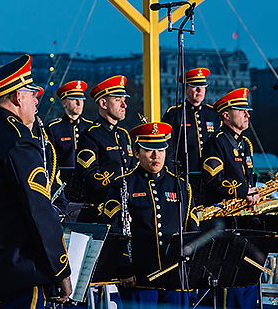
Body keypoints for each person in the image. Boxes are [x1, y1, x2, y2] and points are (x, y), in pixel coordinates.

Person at [0, 54, 71, 308]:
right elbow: (38, 211)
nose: (36, 99)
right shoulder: (19, 140)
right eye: (32, 94)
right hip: (17, 275)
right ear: (18, 97)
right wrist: (61, 268)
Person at [99, 122, 193, 308]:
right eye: (149, 150)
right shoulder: (123, 184)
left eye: (161, 150)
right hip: (139, 278)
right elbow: (113, 230)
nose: (156, 156)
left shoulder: (181, 186)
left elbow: (192, 228)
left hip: (175, 278)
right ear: (136, 153)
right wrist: (124, 267)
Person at [200, 88, 258, 308]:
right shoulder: (217, 142)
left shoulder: (245, 144)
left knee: (246, 274)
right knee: (228, 279)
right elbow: (213, 179)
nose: (247, 115)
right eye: (242, 110)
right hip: (222, 220)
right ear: (226, 115)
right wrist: (244, 191)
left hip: (241, 218)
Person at [66, 76, 134, 219]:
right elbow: (90, 175)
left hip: (125, 207)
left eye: (124, 100)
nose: (124, 105)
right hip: (99, 210)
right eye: (118, 100)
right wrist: (119, 188)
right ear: (103, 103)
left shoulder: (123, 134)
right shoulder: (91, 135)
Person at [161, 68, 220, 203]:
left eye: (202, 87)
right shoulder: (174, 114)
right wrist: (172, 176)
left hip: (210, 178)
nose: (199, 90)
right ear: (186, 89)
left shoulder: (212, 114)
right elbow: (168, 149)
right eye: (194, 87)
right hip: (185, 176)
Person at [46, 80, 93, 187]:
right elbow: (50, 160)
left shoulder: (90, 127)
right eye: (74, 99)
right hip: (63, 184)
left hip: (88, 183)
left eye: (81, 99)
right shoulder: (53, 128)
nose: (79, 103)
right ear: (64, 103)